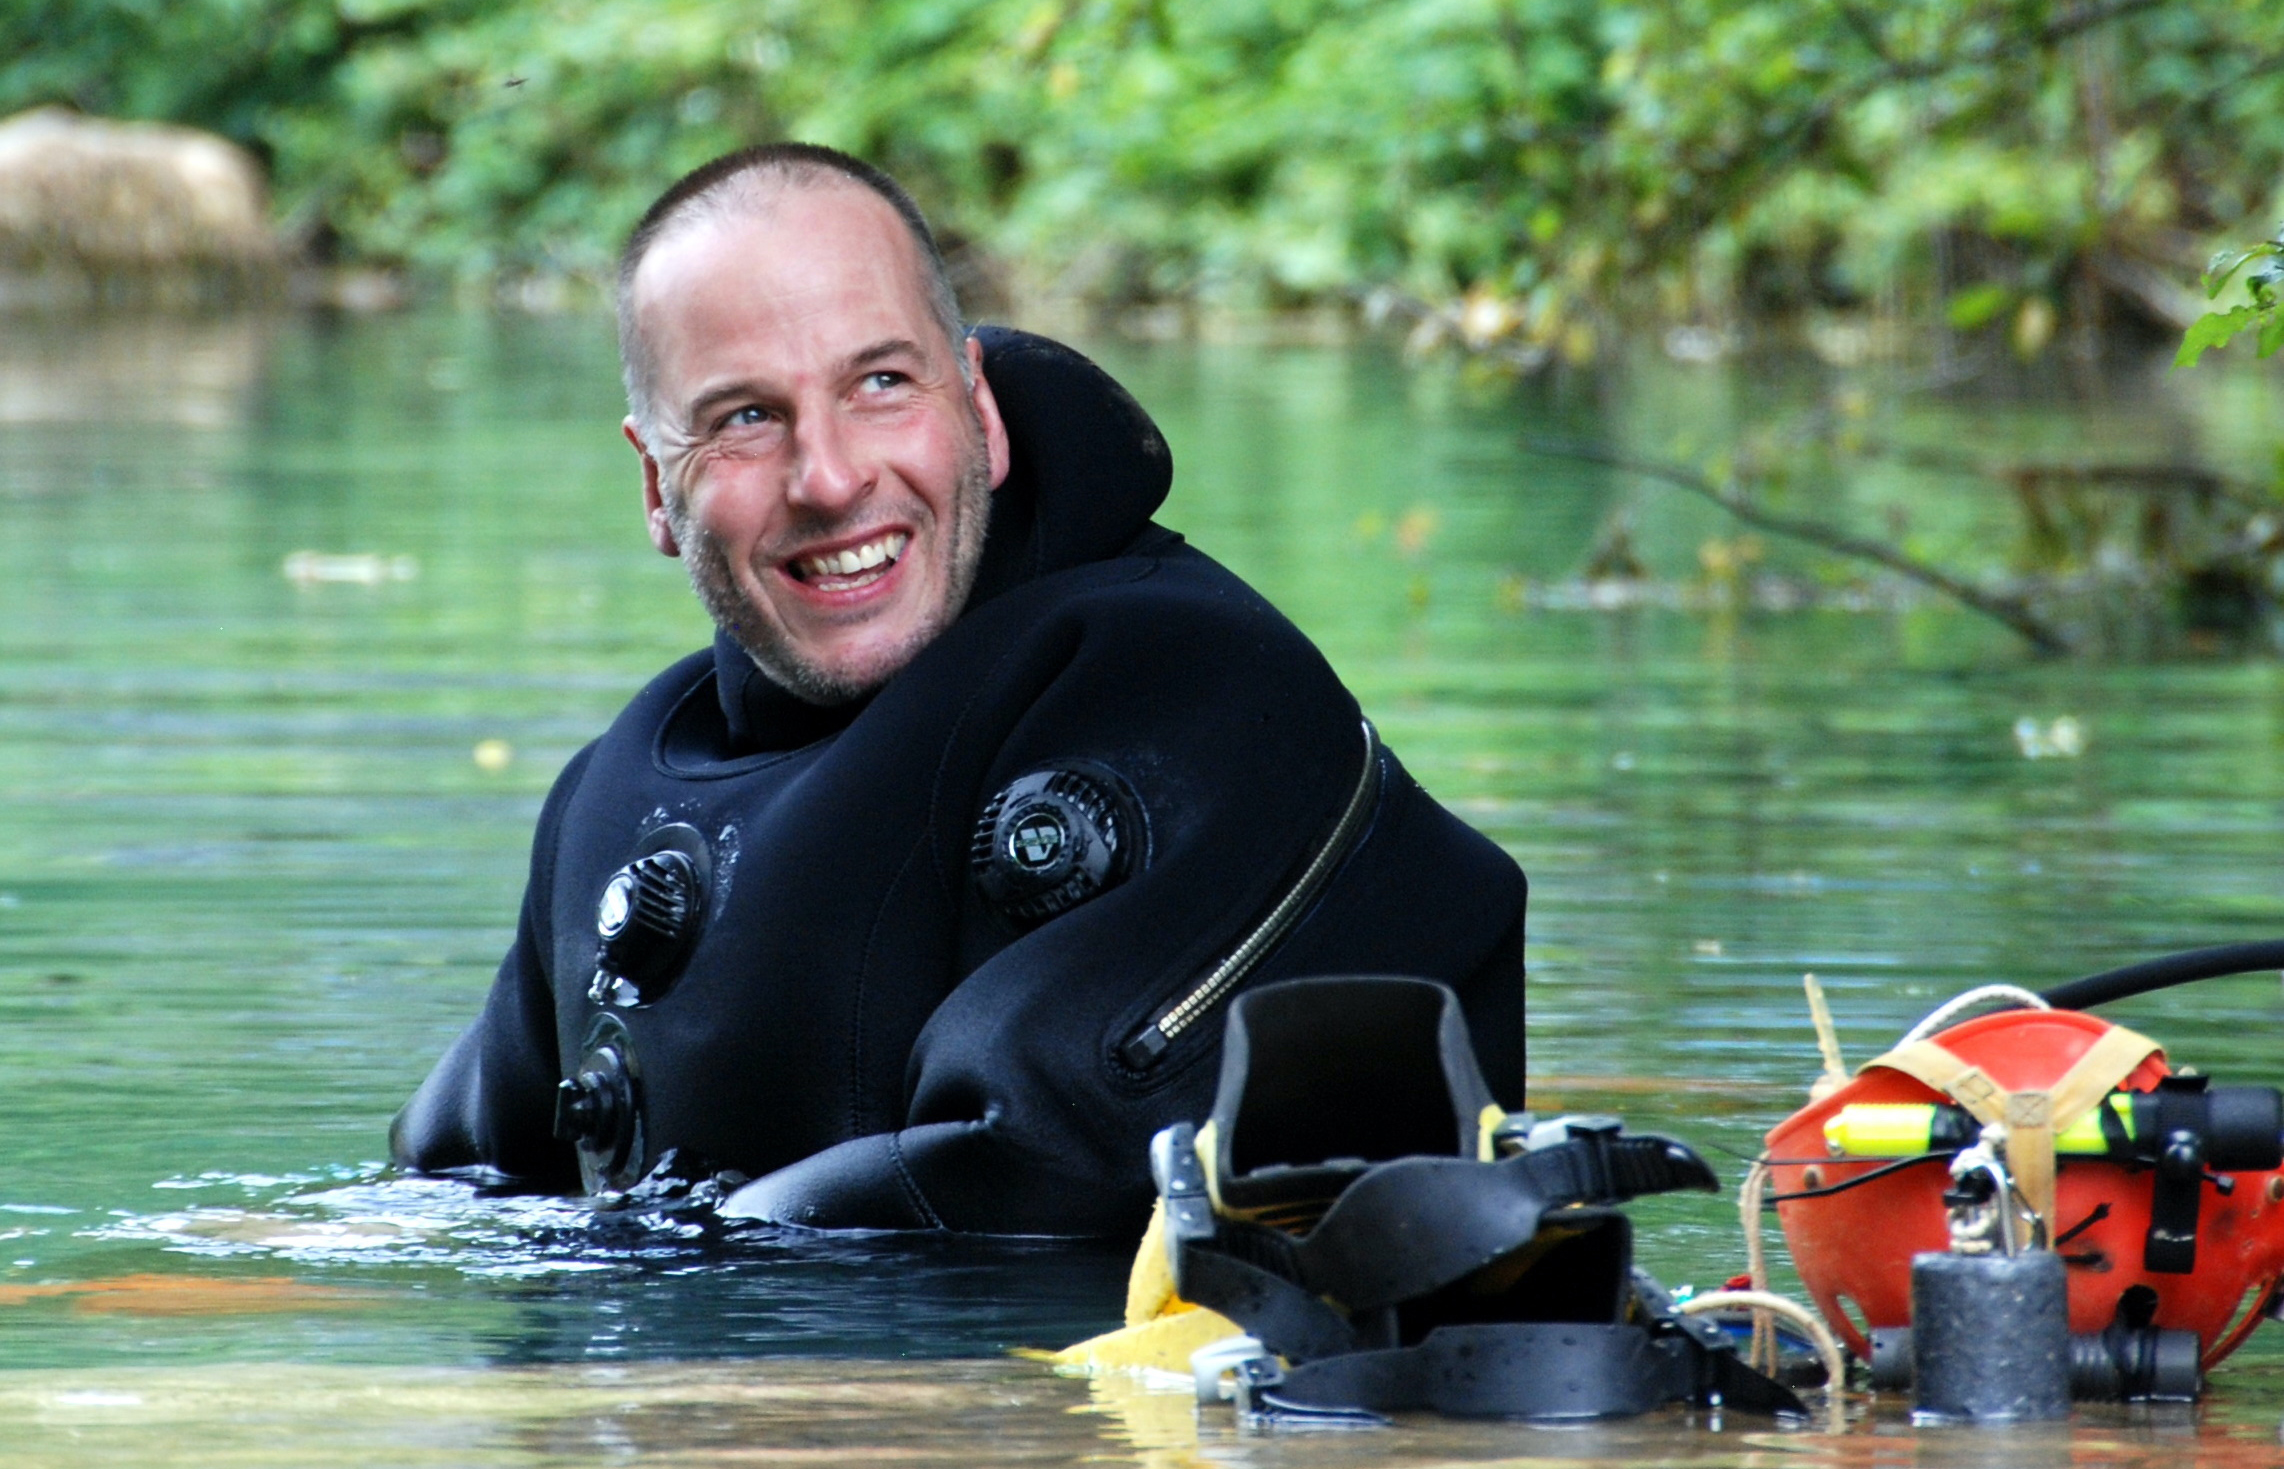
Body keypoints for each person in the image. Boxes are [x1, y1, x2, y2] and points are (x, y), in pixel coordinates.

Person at [389, 143, 1528, 1235]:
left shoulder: (1185, 687)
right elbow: (447, 1186)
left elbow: (1033, 1173)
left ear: (980, 410)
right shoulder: (619, 791)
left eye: (881, 382)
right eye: (745, 417)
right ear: (654, 483)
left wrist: (665, 1272)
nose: (830, 477)